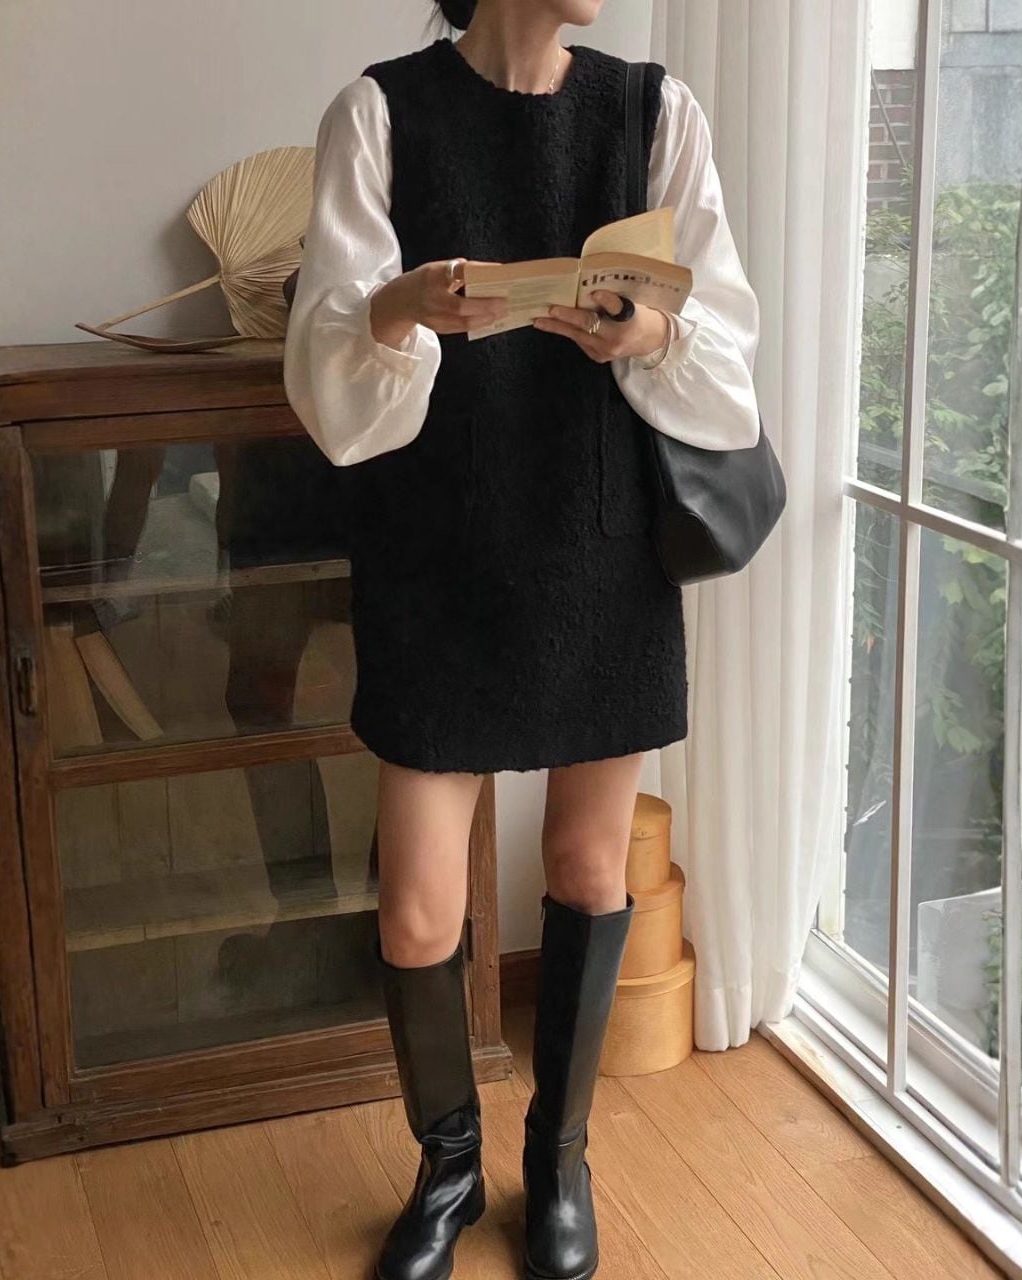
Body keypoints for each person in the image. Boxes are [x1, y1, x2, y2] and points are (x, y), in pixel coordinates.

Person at [282, 1, 760, 1277]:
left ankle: (557, 1158)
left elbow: (724, 348)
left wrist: (648, 332)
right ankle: (447, 1166)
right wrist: (397, 306)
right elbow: (326, 382)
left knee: (588, 868)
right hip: (433, 558)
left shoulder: (653, 112)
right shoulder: (378, 112)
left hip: (599, 552)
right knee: (416, 911)